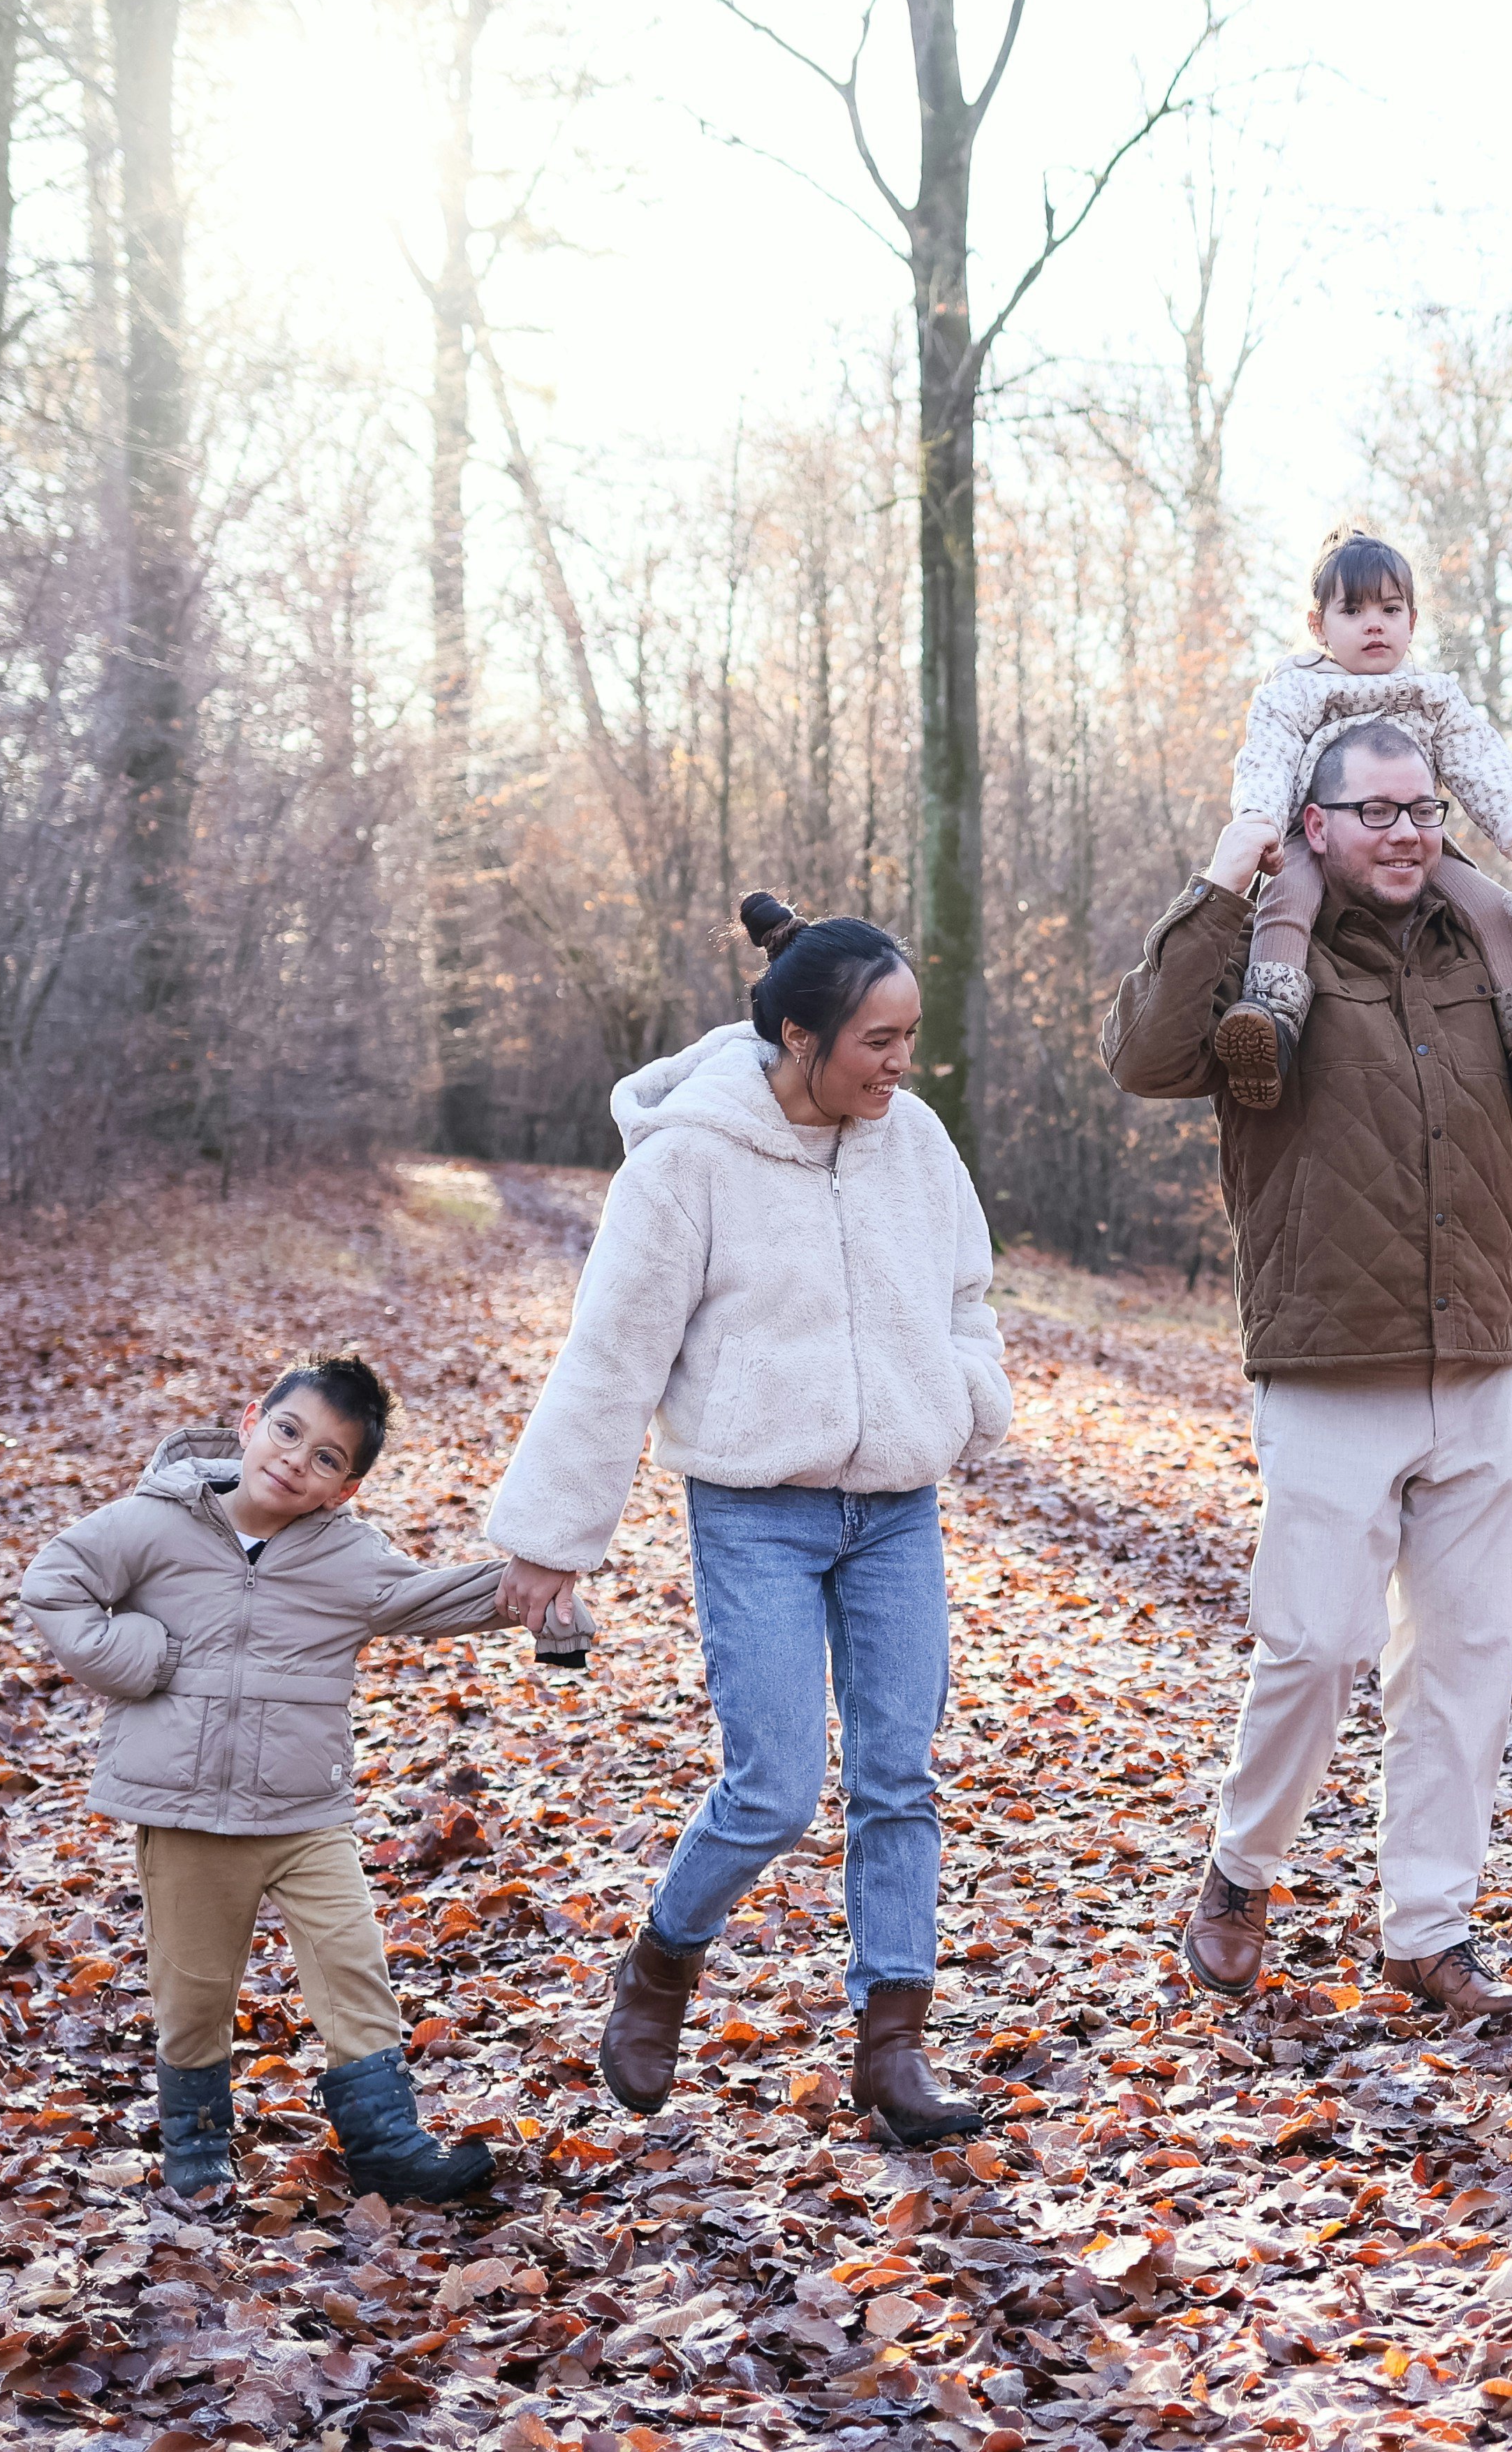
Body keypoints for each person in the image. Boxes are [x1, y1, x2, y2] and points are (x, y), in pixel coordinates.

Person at [1102, 721, 1512, 2021]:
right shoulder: (1261, 961)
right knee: (1314, 1644)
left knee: (1464, 1658)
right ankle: (1241, 1874)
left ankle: (1429, 1932)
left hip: (1479, 1353)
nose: (1406, 833)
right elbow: (1142, 1059)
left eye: (1422, 809)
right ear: (1315, 823)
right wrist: (1219, 887)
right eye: (1374, 812)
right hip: (1326, 1357)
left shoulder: (1490, 948)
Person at [487, 893, 1012, 2148]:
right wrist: (556, 1534)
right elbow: (612, 1355)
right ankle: (663, 1961)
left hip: (896, 1512)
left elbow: (965, 1290)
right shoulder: (688, 1162)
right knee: (774, 1790)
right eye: (877, 1042)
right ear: (796, 1039)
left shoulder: (915, 1139)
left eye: (909, 1038)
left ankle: (893, 2049)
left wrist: (968, 1398)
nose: (901, 1065)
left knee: (899, 1778)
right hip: (754, 1513)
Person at [17, 1349, 590, 2202]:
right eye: (288, 1431)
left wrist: (536, 1586)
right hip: (188, 1814)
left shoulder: (348, 1558)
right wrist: (136, 1657)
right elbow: (54, 1583)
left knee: (353, 1964)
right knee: (196, 1987)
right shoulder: (153, 1523)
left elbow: (436, 1597)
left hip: (303, 1816)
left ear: (344, 1488)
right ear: (251, 1423)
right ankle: (199, 2143)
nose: (296, 1458)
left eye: (327, 1456)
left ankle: (386, 2143)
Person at [1216, 523, 1512, 1124]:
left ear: (1412, 622)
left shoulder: (1431, 695)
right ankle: (1270, 1022)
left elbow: (1482, 766)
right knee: (1287, 896)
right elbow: (1266, 756)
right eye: (1353, 610)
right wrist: (1258, 823)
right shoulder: (1294, 691)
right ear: (1319, 626)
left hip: (1419, 837)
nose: (1374, 623)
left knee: (1496, 911)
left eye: (1389, 609)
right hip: (1313, 840)